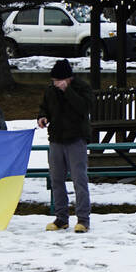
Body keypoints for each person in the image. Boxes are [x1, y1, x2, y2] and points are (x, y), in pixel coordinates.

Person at [37, 60, 95, 233]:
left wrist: (67, 91)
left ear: (67, 79)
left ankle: (83, 219)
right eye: (53, 81)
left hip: (76, 139)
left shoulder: (82, 88)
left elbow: (84, 108)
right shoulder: (50, 91)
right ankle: (61, 218)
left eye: (57, 81)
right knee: (56, 180)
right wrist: (42, 116)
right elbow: (44, 107)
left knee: (79, 179)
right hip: (56, 139)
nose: (55, 84)